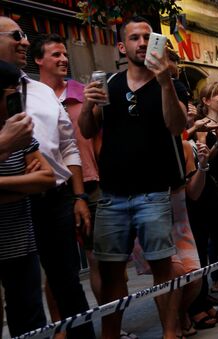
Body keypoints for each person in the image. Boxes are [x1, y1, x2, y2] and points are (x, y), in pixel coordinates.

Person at [79, 16, 188, 338]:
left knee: (162, 270)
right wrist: (87, 105)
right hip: (112, 195)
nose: (141, 43)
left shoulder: (167, 82)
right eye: (134, 38)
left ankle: (170, 333)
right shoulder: (110, 84)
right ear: (122, 46)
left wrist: (165, 81)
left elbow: (175, 125)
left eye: (146, 37)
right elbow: (86, 130)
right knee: (112, 274)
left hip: (154, 193)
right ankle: (110, 334)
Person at [0, 16, 97, 338]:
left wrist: (79, 196)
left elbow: (68, 147)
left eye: (26, 36)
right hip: (7, 209)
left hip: (52, 200)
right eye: (17, 35)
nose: (25, 42)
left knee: (66, 283)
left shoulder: (40, 92)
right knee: (21, 297)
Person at [31, 33, 105, 334]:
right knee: (58, 270)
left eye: (65, 54)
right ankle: (61, 327)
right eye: (55, 55)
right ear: (39, 60)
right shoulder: (31, 95)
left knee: (96, 258)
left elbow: (89, 138)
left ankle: (108, 322)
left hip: (88, 183)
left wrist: (91, 105)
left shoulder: (81, 91)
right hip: (47, 189)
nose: (63, 60)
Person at [0, 59, 55, 338]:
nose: (17, 103)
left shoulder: (22, 132)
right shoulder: (12, 135)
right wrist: (4, 145)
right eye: (11, 95)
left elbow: (46, 179)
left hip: (22, 242)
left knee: (31, 321)